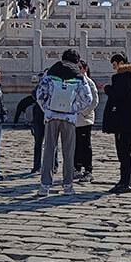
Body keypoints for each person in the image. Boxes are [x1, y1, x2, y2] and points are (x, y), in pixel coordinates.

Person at [35, 49, 94, 196]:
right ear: (77, 61)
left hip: (51, 117)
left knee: (49, 150)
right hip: (69, 118)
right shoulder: (79, 76)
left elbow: (40, 94)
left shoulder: (51, 72)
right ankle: (68, 186)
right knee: (69, 152)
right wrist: (74, 109)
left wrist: (47, 109)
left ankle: (44, 186)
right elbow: (88, 99)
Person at [103, 54, 131, 194]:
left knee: (123, 152)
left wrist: (107, 89)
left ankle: (124, 182)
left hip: (121, 121)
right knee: (128, 151)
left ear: (120, 63)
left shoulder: (120, 78)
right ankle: (129, 180)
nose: (114, 67)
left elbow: (118, 96)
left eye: (114, 64)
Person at [74, 60, 99, 183]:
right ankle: (76, 168)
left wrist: (84, 112)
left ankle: (88, 170)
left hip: (85, 119)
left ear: (85, 69)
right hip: (74, 119)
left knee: (85, 145)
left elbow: (94, 101)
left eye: (80, 67)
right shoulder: (73, 81)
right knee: (75, 145)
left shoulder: (89, 82)